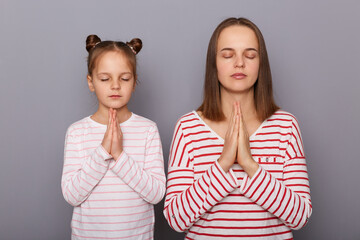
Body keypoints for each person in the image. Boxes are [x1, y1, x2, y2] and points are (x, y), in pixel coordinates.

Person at [164, 17, 312, 239]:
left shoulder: (286, 126)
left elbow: (300, 217)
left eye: (250, 55)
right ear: (213, 63)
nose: (239, 63)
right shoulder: (187, 127)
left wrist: (250, 165)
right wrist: (223, 163)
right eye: (227, 55)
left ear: (261, 63)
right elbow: (176, 219)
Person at [62, 35, 166, 240]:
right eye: (105, 78)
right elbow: (72, 195)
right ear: (91, 82)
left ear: (134, 82)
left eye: (124, 78)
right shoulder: (77, 132)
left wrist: (119, 155)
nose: (116, 85)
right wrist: (102, 152)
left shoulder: (148, 130)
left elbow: (156, 194)